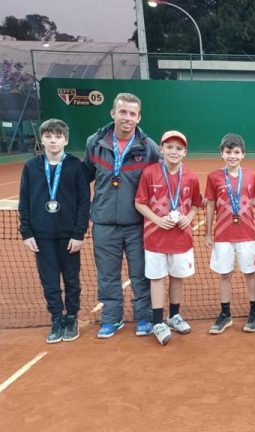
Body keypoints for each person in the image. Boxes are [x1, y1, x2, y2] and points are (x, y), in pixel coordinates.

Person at [83, 93, 161, 339]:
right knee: (107, 274)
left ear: (139, 118)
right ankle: (111, 318)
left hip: (138, 224)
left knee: (141, 273)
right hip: (104, 223)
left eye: (132, 114)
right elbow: (85, 177)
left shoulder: (149, 148)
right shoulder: (95, 143)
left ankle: (144, 317)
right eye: (123, 112)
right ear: (113, 113)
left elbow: (160, 181)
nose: (127, 117)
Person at [19, 119, 90, 343]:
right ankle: (57, 318)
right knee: (49, 281)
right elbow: (24, 201)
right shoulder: (31, 167)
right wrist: (27, 232)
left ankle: (71, 316)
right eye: (48, 136)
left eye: (58, 136)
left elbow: (84, 202)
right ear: (42, 139)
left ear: (65, 140)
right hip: (41, 236)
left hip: (69, 236)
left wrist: (78, 234)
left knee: (71, 280)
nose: (53, 140)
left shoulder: (76, 166)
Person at [134, 130, 202, 345]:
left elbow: (195, 204)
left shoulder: (191, 177)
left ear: (185, 152)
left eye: (179, 148)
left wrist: (188, 218)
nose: (174, 151)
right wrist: (157, 220)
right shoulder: (149, 173)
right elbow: (139, 203)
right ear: (161, 149)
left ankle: (174, 316)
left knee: (177, 277)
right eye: (170, 147)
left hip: (181, 238)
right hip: (155, 238)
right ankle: (157, 322)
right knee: (157, 278)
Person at [205, 133, 255, 334]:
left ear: (243, 154)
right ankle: (225, 314)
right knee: (224, 274)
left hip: (247, 234)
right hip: (222, 235)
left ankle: (254, 312)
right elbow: (210, 205)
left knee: (250, 273)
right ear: (222, 153)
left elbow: (254, 199)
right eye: (228, 152)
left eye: (237, 152)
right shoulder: (213, 177)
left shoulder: (250, 175)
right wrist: (207, 233)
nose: (232, 156)